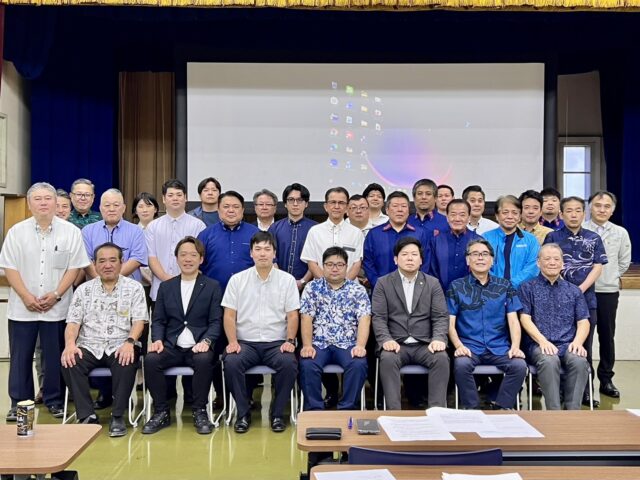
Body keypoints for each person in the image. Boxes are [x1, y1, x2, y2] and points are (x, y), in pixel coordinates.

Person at [0, 182, 90, 421]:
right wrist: (26, 296)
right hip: (22, 308)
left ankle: (55, 400)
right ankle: (19, 403)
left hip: (57, 307)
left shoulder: (70, 232)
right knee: (20, 358)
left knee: (54, 357)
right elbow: (9, 267)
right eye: (37, 199)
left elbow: (74, 267)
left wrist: (57, 294)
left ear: (56, 203)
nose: (43, 203)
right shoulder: (16, 232)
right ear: (29, 204)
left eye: (47, 199)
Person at [61, 243, 147, 436]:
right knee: (70, 360)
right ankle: (87, 415)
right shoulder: (83, 290)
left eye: (112, 260)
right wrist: (70, 345)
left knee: (127, 360)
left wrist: (130, 343)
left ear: (121, 262)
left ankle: (117, 416)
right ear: (94, 264)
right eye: (102, 261)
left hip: (121, 343)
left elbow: (139, 322)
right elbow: (73, 322)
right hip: (89, 344)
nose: (107, 265)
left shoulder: (134, 288)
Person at [142, 237, 222, 435]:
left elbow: (216, 321)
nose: (188, 259)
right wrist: (157, 340)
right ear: (176, 258)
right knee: (151, 360)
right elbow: (158, 320)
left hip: (198, 346)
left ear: (201, 259)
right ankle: (161, 411)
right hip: (171, 345)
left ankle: (200, 411)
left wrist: (207, 341)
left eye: (193, 255)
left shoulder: (212, 286)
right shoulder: (166, 287)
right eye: (183, 255)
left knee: (204, 360)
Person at [222, 232, 299, 433]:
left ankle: (277, 413)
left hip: (276, 343)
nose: (262, 253)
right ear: (251, 253)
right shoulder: (237, 280)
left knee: (289, 364)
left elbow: (292, 315)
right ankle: (243, 413)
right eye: (258, 249)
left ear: (274, 253)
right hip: (246, 343)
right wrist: (232, 341)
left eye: (267, 249)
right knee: (231, 362)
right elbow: (229, 315)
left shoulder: (287, 280)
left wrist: (290, 340)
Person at [447, 239, 527, 410]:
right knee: (461, 365)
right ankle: (473, 409)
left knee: (519, 366)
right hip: (469, 347)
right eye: (475, 254)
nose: (480, 258)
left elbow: (513, 320)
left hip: (499, 347)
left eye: (485, 254)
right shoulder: (456, 286)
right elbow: (449, 322)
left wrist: (515, 346)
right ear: (468, 260)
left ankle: (502, 407)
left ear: (492, 260)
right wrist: (459, 346)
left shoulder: (504, 286)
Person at [372, 237, 449, 409]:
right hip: (396, 344)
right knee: (387, 358)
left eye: (414, 254)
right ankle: (394, 413)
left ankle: (437, 411)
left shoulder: (432, 283)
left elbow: (440, 316)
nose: (409, 258)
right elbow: (378, 317)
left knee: (441, 358)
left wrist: (438, 338)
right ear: (395, 259)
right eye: (404, 254)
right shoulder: (383, 283)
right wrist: (386, 340)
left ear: (421, 260)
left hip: (424, 345)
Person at [544, 196, 607, 406]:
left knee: (583, 347)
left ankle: (586, 393)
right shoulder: (552, 236)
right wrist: (566, 289)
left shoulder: (593, 237)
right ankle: (562, 392)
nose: (573, 214)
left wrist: (579, 289)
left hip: (586, 300)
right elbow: (548, 264)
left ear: (584, 213)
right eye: (569, 211)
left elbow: (598, 266)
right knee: (559, 346)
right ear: (561, 214)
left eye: (578, 210)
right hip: (556, 300)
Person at [518, 244, 591, 410]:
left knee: (579, 361)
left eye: (556, 259)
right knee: (549, 360)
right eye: (547, 259)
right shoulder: (526, 288)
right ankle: (554, 412)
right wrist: (542, 341)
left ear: (562, 263)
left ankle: (572, 412)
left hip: (568, 344)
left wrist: (578, 342)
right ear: (538, 263)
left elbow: (583, 321)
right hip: (538, 345)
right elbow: (525, 319)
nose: (552, 262)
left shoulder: (574, 291)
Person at [299, 247, 370, 411]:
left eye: (339, 264)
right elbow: (306, 318)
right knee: (307, 364)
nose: (335, 268)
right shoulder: (312, 288)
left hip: (348, 344)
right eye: (330, 264)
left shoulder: (357, 289)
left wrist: (360, 346)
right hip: (319, 343)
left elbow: (364, 319)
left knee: (358, 364)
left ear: (346, 266)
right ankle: (314, 410)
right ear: (323, 266)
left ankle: (347, 409)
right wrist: (307, 345)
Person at [583, 191, 631, 398]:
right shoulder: (581, 229)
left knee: (607, 336)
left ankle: (606, 380)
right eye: (597, 205)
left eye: (607, 206)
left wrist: (610, 276)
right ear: (590, 207)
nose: (602, 209)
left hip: (607, 292)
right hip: (583, 292)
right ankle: (585, 382)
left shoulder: (620, 232)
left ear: (612, 210)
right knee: (583, 338)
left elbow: (624, 262)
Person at [145, 179, 206, 302]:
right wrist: (168, 279)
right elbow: (151, 257)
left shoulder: (198, 225)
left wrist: (182, 281)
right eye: (170, 195)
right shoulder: (153, 226)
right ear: (163, 199)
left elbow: (199, 257)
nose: (175, 198)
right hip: (160, 289)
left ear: (185, 198)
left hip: (190, 290)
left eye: (179, 195)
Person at [363, 191, 429, 290]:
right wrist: (378, 285)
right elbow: (368, 262)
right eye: (395, 206)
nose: (400, 210)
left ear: (408, 210)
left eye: (403, 206)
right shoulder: (374, 234)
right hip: (381, 290)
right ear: (387, 210)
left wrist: (415, 286)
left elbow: (425, 261)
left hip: (413, 290)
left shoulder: (420, 233)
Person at [81, 188, 147, 282]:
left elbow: (136, 259)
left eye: (116, 205)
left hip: (128, 286)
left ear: (123, 208)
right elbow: (86, 260)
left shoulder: (136, 231)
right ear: (100, 208)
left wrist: (111, 280)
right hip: (96, 286)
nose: (111, 209)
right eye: (107, 205)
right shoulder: (87, 231)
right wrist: (101, 282)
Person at [301, 187, 364, 281]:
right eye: (333, 202)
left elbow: (357, 264)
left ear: (347, 207)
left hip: (349, 287)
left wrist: (343, 286)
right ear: (326, 206)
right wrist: (327, 285)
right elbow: (312, 263)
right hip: (321, 286)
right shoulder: (314, 231)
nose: (337, 206)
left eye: (341, 203)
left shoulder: (356, 233)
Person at [483, 195, 539, 289]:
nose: (510, 217)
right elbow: (480, 265)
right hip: (491, 290)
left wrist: (511, 285)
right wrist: (497, 285)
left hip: (522, 291)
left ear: (520, 216)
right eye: (505, 212)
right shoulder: (485, 238)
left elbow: (532, 268)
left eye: (514, 213)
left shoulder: (531, 240)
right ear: (497, 216)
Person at [268, 183, 316, 291]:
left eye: (299, 200)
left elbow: (316, 259)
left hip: (308, 288)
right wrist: (281, 280)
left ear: (306, 204)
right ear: (285, 204)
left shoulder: (315, 229)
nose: (295, 204)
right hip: (278, 286)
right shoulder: (274, 228)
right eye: (291, 200)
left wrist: (303, 281)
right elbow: (271, 257)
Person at [429, 199, 481, 292]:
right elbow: (432, 271)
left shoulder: (478, 241)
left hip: (471, 295)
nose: (457, 219)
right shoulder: (436, 240)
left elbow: (482, 271)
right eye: (453, 214)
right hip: (441, 294)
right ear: (447, 217)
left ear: (469, 217)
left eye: (462, 215)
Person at [132, 192, 160, 287]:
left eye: (149, 206)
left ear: (155, 209)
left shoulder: (162, 230)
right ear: (135, 211)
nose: (145, 210)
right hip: (138, 282)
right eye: (140, 207)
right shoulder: (132, 232)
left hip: (161, 279)